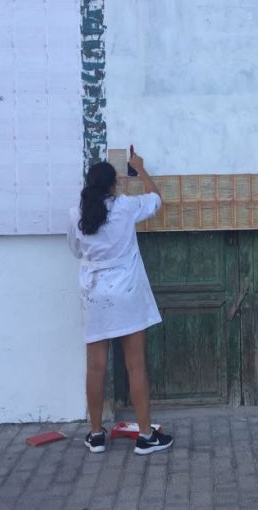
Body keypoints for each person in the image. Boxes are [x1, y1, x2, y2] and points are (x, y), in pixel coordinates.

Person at [67, 154, 173, 455]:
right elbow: (156, 199)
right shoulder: (125, 206)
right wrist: (140, 168)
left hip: (94, 294)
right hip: (126, 293)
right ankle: (145, 436)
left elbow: (76, 250)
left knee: (96, 368)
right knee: (135, 365)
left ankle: (97, 434)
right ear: (113, 186)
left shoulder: (76, 214)